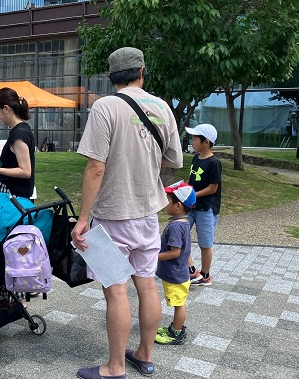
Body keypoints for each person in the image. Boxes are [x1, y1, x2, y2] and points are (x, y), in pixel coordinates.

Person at [71, 47, 183, 379]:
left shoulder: (105, 106)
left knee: (116, 290)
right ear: (142, 71)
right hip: (149, 213)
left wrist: (81, 219)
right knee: (147, 284)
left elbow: (95, 168)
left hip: (111, 215)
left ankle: (115, 367)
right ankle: (144, 356)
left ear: (111, 76)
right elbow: (172, 159)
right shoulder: (162, 106)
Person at [153, 182, 195, 346]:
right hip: (178, 272)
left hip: (175, 274)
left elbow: (175, 252)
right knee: (179, 303)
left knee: (179, 305)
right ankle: (174, 328)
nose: (165, 203)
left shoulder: (176, 227)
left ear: (178, 205)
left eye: (168, 200)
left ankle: (176, 334)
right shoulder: (183, 222)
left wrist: (154, 257)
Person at [185, 124, 222, 287]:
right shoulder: (195, 158)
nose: (192, 141)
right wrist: (183, 190)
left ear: (206, 142)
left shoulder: (214, 163)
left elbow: (213, 188)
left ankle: (205, 276)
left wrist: (192, 195)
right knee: (180, 235)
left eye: (194, 138)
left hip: (206, 208)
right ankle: (192, 271)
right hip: (191, 207)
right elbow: (191, 181)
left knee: (205, 243)